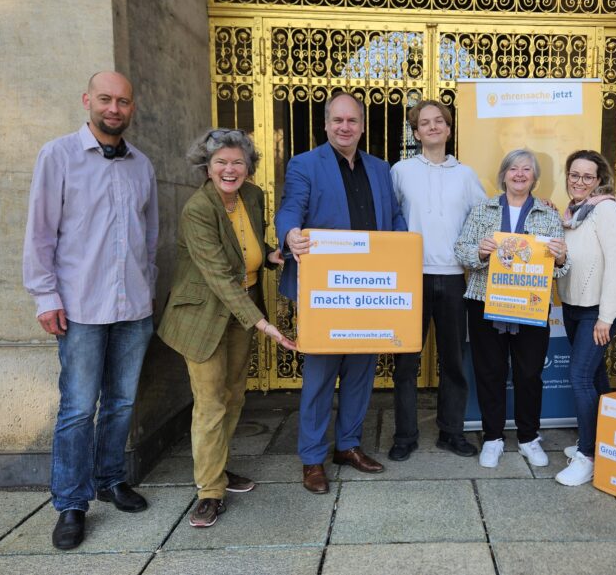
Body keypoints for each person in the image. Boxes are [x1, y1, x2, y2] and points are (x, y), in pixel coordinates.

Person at [23, 71, 156, 550]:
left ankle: (110, 478)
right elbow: (40, 233)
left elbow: (150, 236)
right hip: (79, 307)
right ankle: (71, 503)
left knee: (121, 403)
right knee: (78, 409)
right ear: (87, 101)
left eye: (123, 100)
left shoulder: (142, 164)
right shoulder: (57, 156)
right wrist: (45, 296)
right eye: (106, 99)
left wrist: (148, 289)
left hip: (134, 307)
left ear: (131, 106)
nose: (114, 108)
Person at [158, 129, 297, 528]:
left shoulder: (252, 197)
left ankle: (216, 470)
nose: (230, 169)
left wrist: (272, 257)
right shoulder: (197, 210)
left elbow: (246, 253)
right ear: (207, 166)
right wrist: (266, 325)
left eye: (238, 162)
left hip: (242, 309)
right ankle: (209, 492)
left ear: (249, 167)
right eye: (221, 162)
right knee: (210, 403)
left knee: (234, 395)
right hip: (203, 316)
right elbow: (219, 277)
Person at [275, 91, 407, 494]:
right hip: (326, 293)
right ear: (327, 124)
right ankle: (312, 458)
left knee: (360, 374)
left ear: (363, 126)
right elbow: (290, 208)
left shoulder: (381, 169)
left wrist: (402, 249)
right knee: (319, 376)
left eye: (352, 121)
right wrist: (290, 235)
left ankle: (347, 446)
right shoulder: (304, 164)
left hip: (371, 290)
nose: (344, 127)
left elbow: (395, 216)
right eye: (337, 121)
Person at [454, 149, 569, 469]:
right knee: (489, 372)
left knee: (530, 374)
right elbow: (461, 251)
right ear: (503, 174)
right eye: (514, 169)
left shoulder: (548, 215)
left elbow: (559, 270)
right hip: (484, 301)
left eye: (527, 170)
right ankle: (492, 438)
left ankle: (529, 438)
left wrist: (560, 258)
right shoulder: (482, 209)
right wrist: (479, 250)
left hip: (531, 305)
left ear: (535, 178)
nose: (520, 174)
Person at [387, 100, 486, 462]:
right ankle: (405, 435)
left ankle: (452, 432)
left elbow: (486, 216)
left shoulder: (466, 175)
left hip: (455, 278)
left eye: (438, 121)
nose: (432, 127)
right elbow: (389, 218)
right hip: (411, 279)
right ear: (415, 133)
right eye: (424, 123)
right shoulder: (400, 171)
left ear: (448, 129)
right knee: (406, 364)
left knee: (454, 361)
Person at [554, 150, 616, 486]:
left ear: (599, 180)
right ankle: (605, 446)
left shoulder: (607, 210)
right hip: (572, 308)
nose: (579, 181)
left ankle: (587, 456)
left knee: (580, 377)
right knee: (596, 378)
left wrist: (607, 316)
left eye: (587, 176)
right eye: (574, 174)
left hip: (597, 312)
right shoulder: (572, 213)